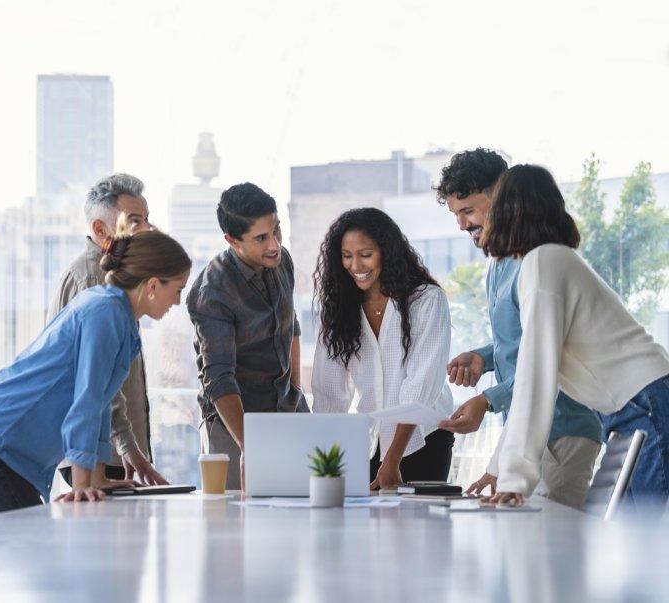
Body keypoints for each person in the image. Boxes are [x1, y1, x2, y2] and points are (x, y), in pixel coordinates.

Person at [0, 230, 192, 513]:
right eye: (178, 289)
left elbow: (100, 404)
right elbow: (87, 399)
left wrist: (96, 478)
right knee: (28, 546)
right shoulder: (105, 313)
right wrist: (82, 483)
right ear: (153, 285)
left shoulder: (117, 314)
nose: (178, 302)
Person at [479, 164, 669, 509]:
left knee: (642, 538)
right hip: (638, 404)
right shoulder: (553, 259)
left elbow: (536, 376)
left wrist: (513, 479)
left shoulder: (543, 263)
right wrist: (502, 470)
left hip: (644, 402)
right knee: (628, 536)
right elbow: (532, 377)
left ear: (505, 212)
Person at [434, 149, 602, 509]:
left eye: (469, 211)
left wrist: (487, 400)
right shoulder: (498, 264)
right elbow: (519, 343)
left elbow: (545, 359)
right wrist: (483, 358)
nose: (462, 225)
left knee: (552, 550)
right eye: (456, 215)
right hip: (527, 433)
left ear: (503, 197)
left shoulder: (538, 261)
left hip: (561, 430)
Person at [311, 208, 455, 488]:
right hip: (371, 441)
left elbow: (420, 387)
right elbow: (329, 394)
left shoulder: (426, 300)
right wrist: (326, 465)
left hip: (422, 438)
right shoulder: (339, 310)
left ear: (387, 252)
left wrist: (392, 461)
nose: (356, 265)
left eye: (366, 255)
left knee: (419, 527)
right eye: (346, 256)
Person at [47, 174, 168, 487]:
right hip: (101, 454)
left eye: (147, 220)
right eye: (136, 221)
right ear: (100, 230)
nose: (148, 230)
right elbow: (93, 380)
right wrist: (127, 445)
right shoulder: (92, 279)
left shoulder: (114, 275)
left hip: (114, 451)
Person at [187, 182, 307, 490]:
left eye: (277, 231)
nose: (274, 245)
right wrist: (249, 446)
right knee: (234, 526)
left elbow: (290, 325)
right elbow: (219, 377)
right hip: (233, 422)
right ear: (232, 240)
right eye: (261, 238)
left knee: (300, 510)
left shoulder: (282, 263)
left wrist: (294, 389)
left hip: (285, 407)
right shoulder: (213, 290)